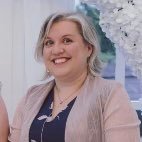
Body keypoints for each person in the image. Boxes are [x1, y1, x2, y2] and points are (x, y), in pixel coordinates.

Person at [8, 12, 140, 142]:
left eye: (67, 40)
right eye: (49, 43)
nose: (57, 50)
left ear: (89, 48)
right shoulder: (31, 96)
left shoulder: (111, 94)